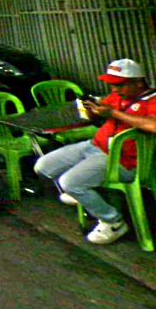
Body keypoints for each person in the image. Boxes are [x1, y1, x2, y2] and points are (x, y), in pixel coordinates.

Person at [35, 59, 156, 245]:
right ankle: (84, 194)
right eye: (112, 85)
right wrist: (92, 110)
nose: (115, 89)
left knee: (69, 182)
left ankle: (113, 222)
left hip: (122, 161)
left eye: (120, 85)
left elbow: (153, 125)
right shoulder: (117, 96)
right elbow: (98, 113)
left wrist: (114, 114)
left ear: (138, 82)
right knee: (43, 166)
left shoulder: (152, 100)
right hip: (94, 146)